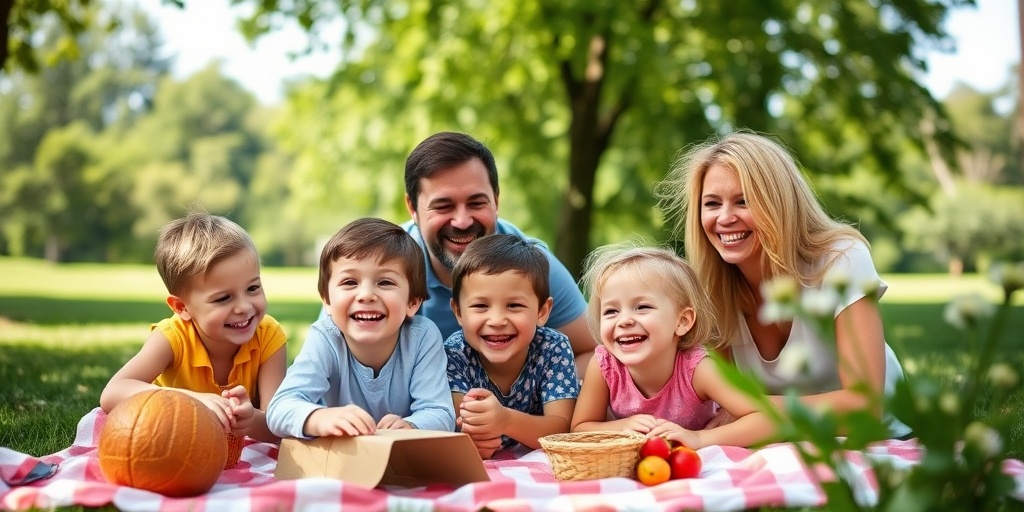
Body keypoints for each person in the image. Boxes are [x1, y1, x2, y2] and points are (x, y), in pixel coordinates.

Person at [654, 130, 912, 439]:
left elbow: (863, 406)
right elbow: (718, 407)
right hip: (783, 443)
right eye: (711, 203)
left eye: (743, 201)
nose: (724, 217)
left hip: (874, 440)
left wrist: (753, 410)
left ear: (779, 203)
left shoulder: (842, 259)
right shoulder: (709, 288)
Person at [401, 131, 595, 377]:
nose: (462, 221)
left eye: (476, 203)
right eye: (443, 206)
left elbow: (593, 352)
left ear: (496, 200)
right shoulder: (386, 265)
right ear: (412, 208)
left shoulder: (531, 264)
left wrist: (527, 402)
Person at [100, 211, 286, 443]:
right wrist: (189, 400)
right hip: (173, 441)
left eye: (252, 289)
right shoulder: (172, 337)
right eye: (223, 298)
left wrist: (249, 420)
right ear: (181, 307)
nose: (244, 307)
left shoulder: (268, 336)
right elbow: (112, 393)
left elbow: (277, 425)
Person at [267, 218, 455, 438]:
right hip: (341, 460)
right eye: (349, 282)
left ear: (412, 302)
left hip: (401, 463)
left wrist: (413, 426)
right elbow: (279, 408)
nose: (366, 295)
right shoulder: (326, 337)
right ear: (327, 300)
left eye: (385, 282)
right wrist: (319, 418)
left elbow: (441, 413)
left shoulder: (422, 337)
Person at [571, 244, 772, 448]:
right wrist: (621, 427)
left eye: (642, 307)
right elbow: (579, 427)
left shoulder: (698, 369)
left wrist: (700, 438)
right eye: (611, 311)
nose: (624, 321)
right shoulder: (605, 366)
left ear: (682, 321)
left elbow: (765, 418)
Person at [445, 234, 580, 458]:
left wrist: (505, 420)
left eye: (514, 305)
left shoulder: (553, 349)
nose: (497, 320)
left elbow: (562, 430)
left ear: (542, 312)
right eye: (480, 305)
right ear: (458, 312)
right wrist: (477, 442)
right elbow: (464, 429)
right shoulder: (455, 353)